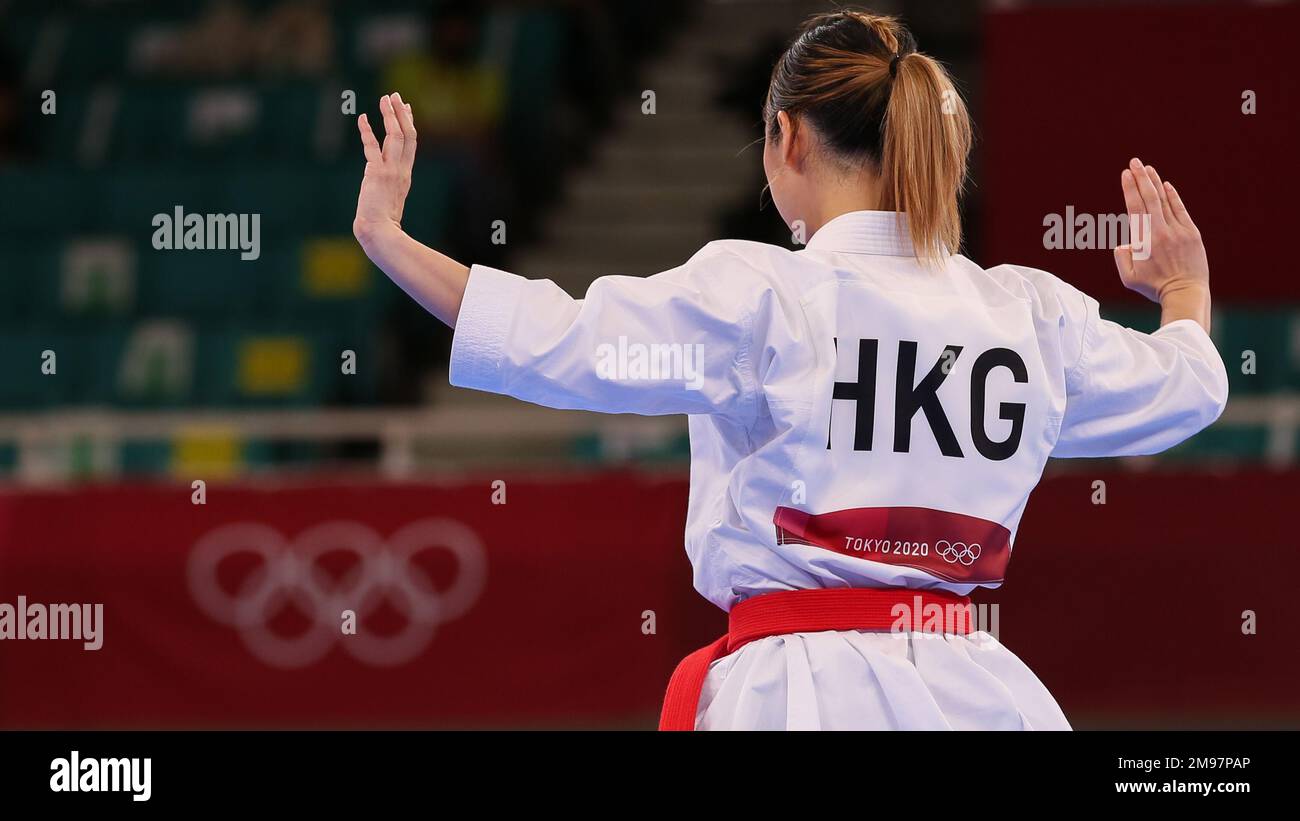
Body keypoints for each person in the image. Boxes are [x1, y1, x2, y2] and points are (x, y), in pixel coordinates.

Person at [351, 11, 1227, 730]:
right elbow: (1188, 387)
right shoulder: (1030, 314)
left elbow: (563, 342)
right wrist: (1183, 288)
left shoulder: (761, 293)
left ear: (786, 138)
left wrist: (391, 243)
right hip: (981, 691)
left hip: (794, 695)